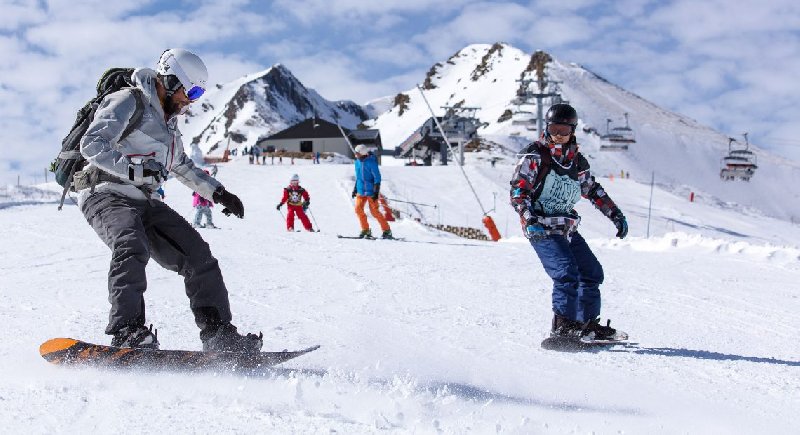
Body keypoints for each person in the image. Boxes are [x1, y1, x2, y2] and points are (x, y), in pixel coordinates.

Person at [77, 48, 262, 352]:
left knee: (198, 255)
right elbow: (92, 143)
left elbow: (183, 167)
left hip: (143, 200)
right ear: (170, 80)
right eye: (190, 91)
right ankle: (127, 331)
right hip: (105, 192)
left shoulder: (169, 126)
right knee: (130, 242)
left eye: (198, 94)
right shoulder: (129, 101)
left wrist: (219, 193)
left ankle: (219, 336)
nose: (191, 100)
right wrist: (133, 169)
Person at [509, 103, 628, 342]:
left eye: (564, 130)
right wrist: (529, 219)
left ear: (573, 131)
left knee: (591, 273)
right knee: (566, 272)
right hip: (541, 227)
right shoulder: (535, 155)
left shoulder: (576, 161)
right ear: (547, 128)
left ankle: (586, 325)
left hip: (566, 228)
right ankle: (563, 326)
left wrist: (615, 214)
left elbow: (593, 190)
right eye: (554, 129)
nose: (559, 135)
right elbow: (518, 192)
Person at [352, 144, 392, 239]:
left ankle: (387, 231)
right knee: (358, 209)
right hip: (361, 191)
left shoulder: (371, 162)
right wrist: (355, 189)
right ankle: (365, 230)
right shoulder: (357, 162)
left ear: (362, 153)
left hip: (371, 191)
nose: (355, 155)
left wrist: (376, 191)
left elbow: (377, 178)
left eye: (357, 153)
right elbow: (358, 177)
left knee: (374, 212)